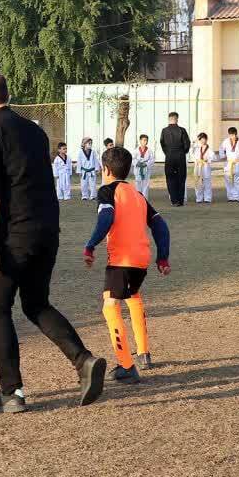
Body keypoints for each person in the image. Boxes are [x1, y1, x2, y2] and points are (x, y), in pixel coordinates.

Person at [0, 72, 105, 414]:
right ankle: (83, 360)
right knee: (35, 303)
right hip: (46, 232)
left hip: (12, 235)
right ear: (7, 94)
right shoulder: (35, 131)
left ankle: (11, 392)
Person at [83, 146, 171, 382]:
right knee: (133, 297)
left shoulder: (107, 191)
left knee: (110, 305)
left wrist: (91, 245)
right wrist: (162, 256)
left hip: (122, 259)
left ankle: (126, 365)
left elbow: (106, 217)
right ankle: (143, 352)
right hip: (141, 260)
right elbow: (160, 225)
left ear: (106, 169)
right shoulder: (137, 195)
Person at [159, 112, 190, 206]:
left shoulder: (164, 131)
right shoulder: (182, 130)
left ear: (169, 119)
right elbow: (187, 144)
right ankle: (180, 200)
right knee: (181, 177)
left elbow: (162, 143)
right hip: (180, 155)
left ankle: (174, 200)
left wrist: (167, 153)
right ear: (177, 119)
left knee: (170, 178)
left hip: (169, 156)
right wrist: (182, 152)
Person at [217, 127, 239, 203]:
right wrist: (222, 156)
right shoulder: (226, 141)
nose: (232, 137)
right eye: (231, 135)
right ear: (229, 135)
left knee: (237, 180)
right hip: (229, 163)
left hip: (238, 162)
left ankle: (237, 197)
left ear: (236, 134)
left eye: (234, 135)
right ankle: (230, 197)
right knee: (228, 180)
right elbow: (221, 148)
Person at [193, 132, 213, 204]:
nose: (202, 141)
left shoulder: (209, 149)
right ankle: (199, 198)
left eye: (203, 139)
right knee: (198, 183)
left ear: (206, 139)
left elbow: (213, 157)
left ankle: (207, 198)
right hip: (198, 167)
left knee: (207, 183)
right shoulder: (197, 148)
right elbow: (194, 157)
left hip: (205, 167)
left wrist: (207, 160)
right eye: (201, 139)